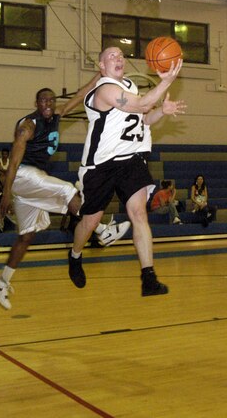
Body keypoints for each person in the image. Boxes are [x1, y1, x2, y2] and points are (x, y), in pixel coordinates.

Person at [0, 80, 131, 311]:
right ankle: (103, 231)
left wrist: (99, 77)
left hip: (30, 184)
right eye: (43, 100)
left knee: (26, 236)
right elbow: (13, 164)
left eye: (51, 100)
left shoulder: (55, 116)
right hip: (23, 176)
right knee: (68, 191)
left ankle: (2, 281)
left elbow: (80, 95)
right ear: (36, 103)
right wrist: (5, 195)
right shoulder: (28, 125)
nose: (48, 103)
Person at [68, 47, 186, 297]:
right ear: (101, 66)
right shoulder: (104, 89)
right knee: (90, 221)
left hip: (131, 160)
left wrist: (161, 113)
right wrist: (166, 82)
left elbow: (143, 119)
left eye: (121, 54)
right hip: (101, 165)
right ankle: (75, 254)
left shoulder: (131, 85)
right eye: (111, 56)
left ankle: (148, 277)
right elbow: (142, 103)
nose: (118, 58)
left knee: (139, 214)